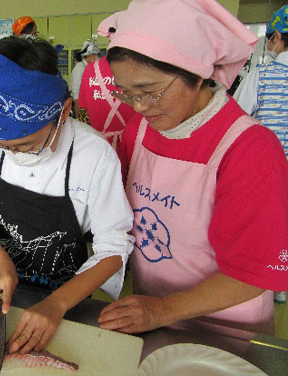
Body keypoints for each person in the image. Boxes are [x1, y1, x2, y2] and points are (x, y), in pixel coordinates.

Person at [94, 0, 288, 336]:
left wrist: (164, 310)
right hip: (152, 310)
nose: (139, 106)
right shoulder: (137, 132)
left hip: (225, 326)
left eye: (150, 91)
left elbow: (254, 273)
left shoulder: (249, 149)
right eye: (126, 93)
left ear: (198, 75)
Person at [0, 36, 134, 354]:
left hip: (69, 294)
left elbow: (114, 247)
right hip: (0, 285)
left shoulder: (93, 155)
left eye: (25, 145)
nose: (14, 154)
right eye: (4, 148)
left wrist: (57, 304)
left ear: (64, 112)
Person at [233, 5, 288, 306]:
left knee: (272, 223)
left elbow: (238, 119)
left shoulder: (262, 75)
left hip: (270, 170)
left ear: (278, 37)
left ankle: (275, 283)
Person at [78, 55, 136, 158]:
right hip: (133, 147)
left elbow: (83, 111)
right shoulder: (141, 67)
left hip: (99, 147)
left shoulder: (91, 69)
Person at [70, 41, 99, 116]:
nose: (96, 58)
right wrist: (79, 113)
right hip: (79, 105)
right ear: (90, 55)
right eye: (95, 55)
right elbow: (76, 92)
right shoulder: (79, 68)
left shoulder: (88, 67)